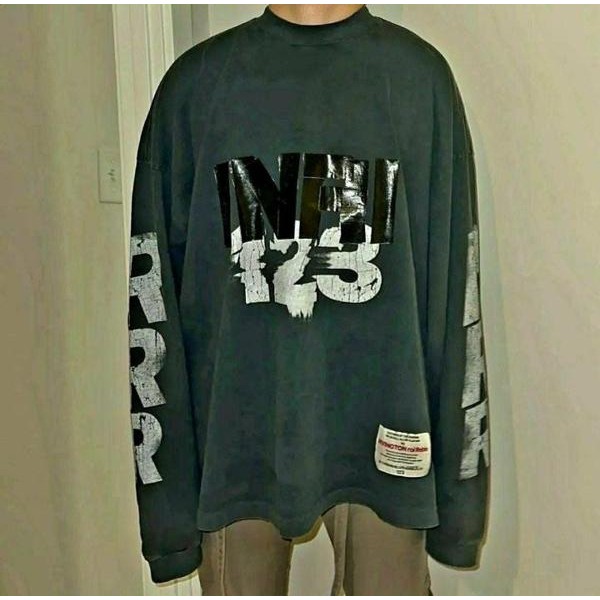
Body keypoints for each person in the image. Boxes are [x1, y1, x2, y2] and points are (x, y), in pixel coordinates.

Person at [127, 3, 490, 595]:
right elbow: (152, 309)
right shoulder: (196, 88)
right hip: (235, 449)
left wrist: (461, 498)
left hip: (388, 435)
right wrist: (165, 510)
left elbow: (456, 297)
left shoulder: (419, 81)